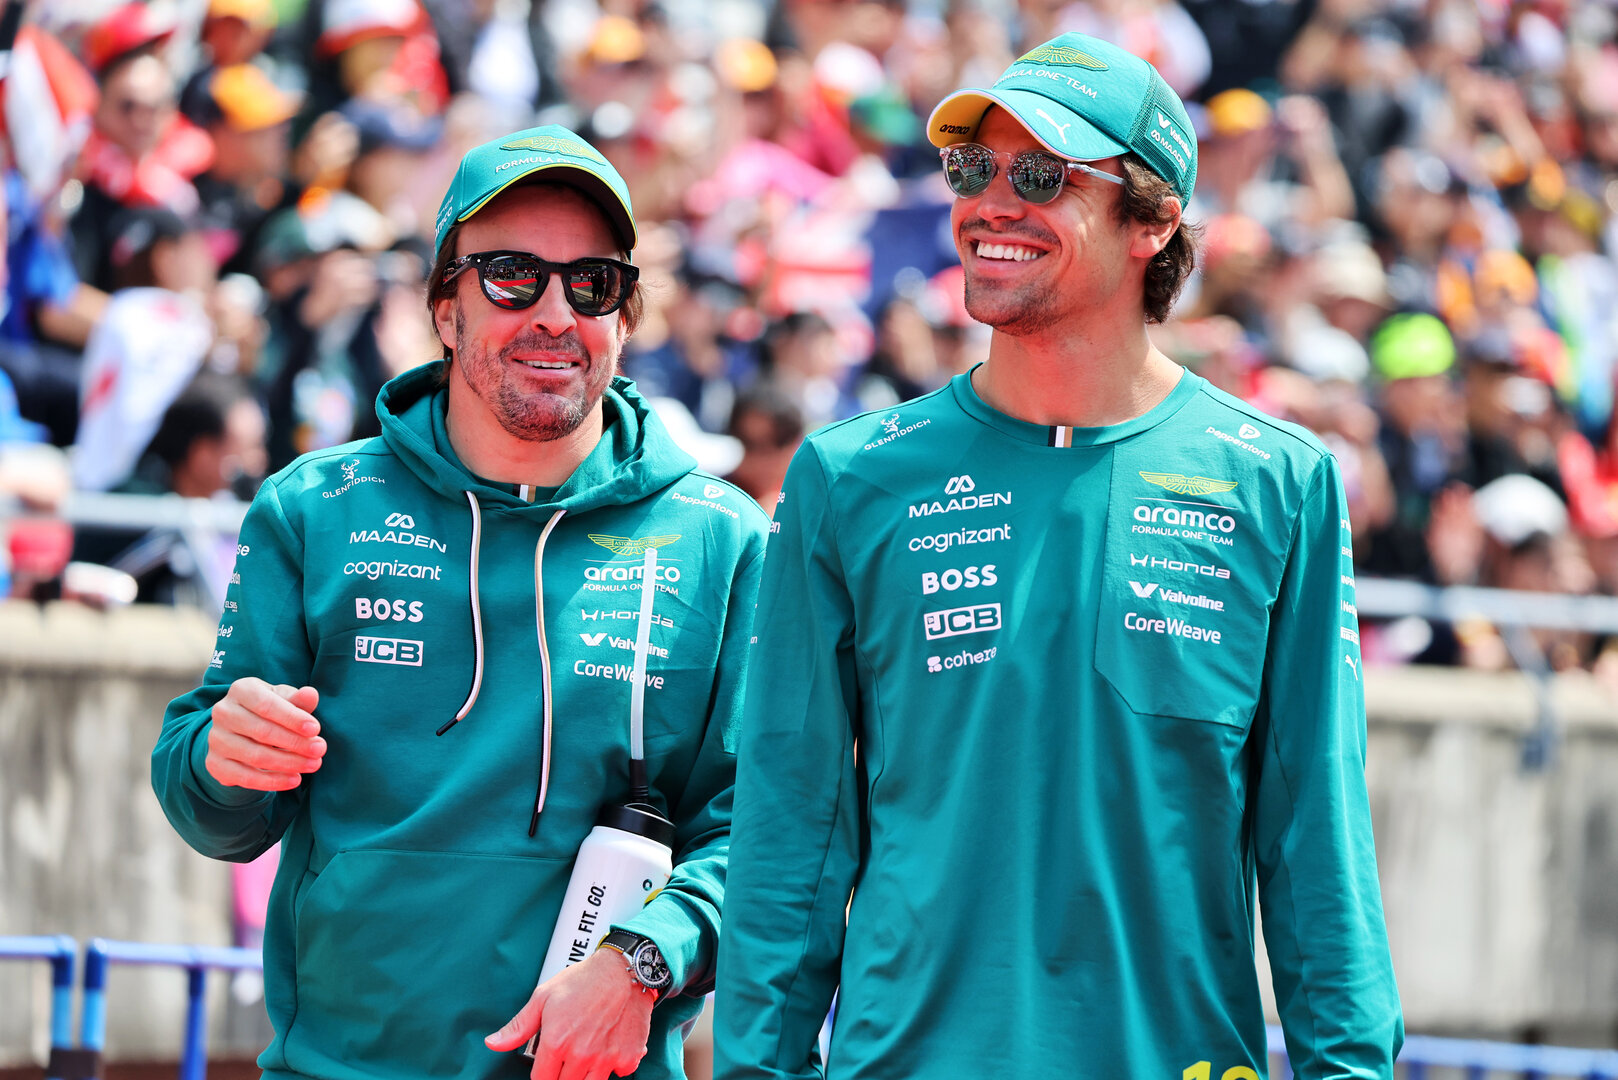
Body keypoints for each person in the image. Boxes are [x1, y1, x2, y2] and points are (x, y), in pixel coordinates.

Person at [715, 32, 1403, 1080]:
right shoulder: (848, 477)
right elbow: (790, 825)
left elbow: (1316, 835)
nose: (991, 202)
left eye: (1041, 175)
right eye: (971, 168)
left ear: (1154, 220)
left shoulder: (1279, 480)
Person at [152, 124, 770, 1080]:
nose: (556, 314)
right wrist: (225, 757)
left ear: (628, 315)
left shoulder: (721, 536)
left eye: (593, 283)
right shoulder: (314, 508)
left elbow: (768, 824)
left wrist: (646, 961)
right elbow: (217, 814)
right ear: (446, 309)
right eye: (513, 276)